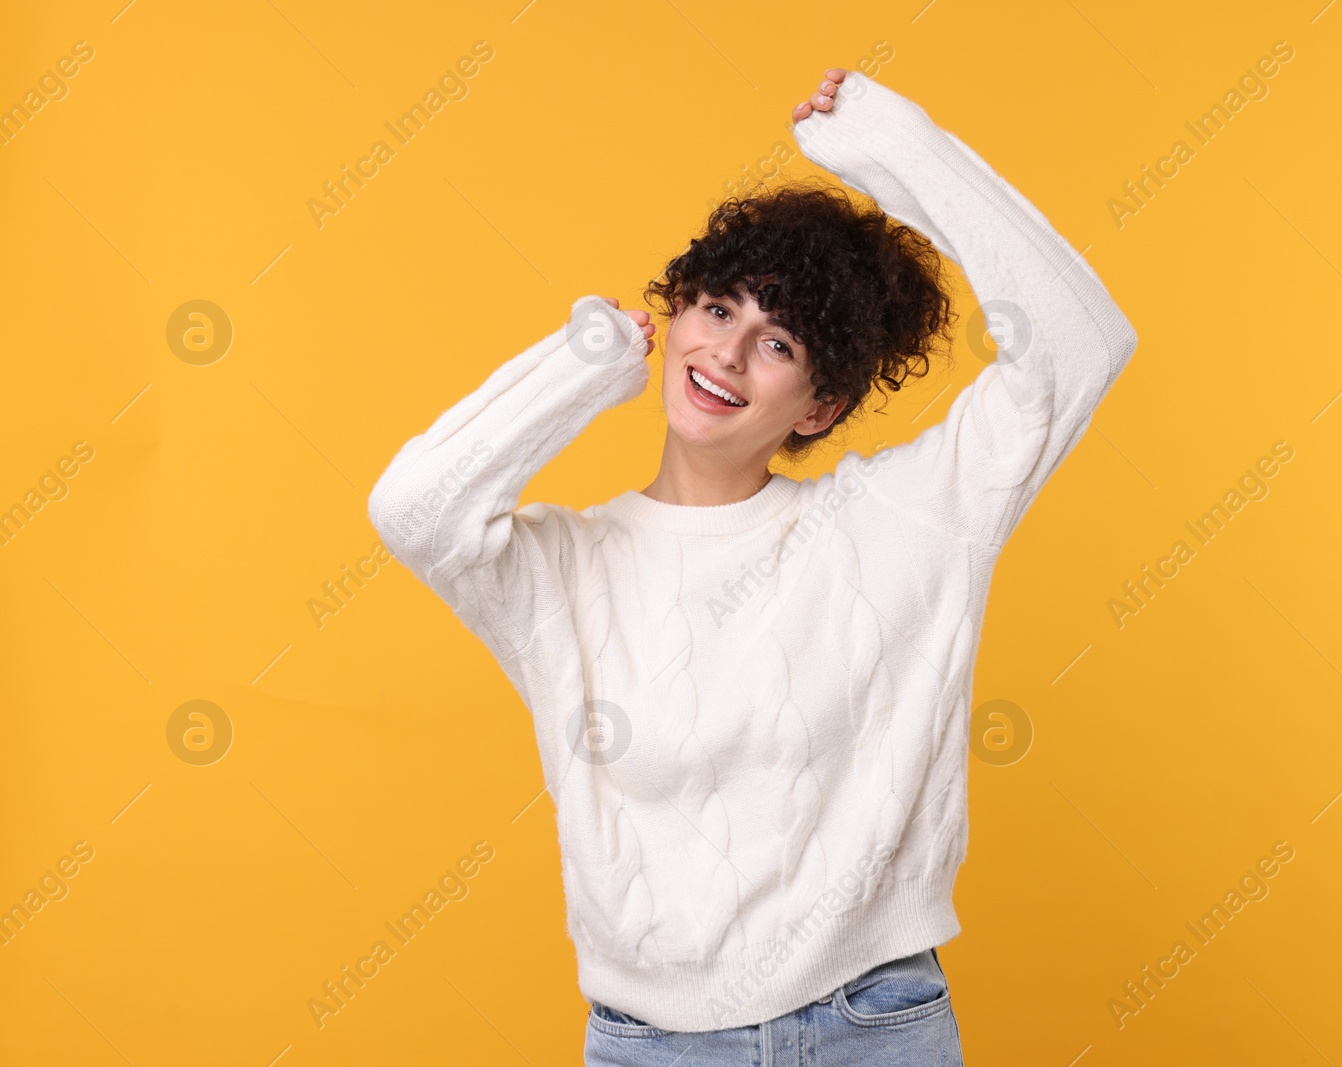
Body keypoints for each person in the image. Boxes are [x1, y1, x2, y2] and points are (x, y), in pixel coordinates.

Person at [368, 66, 1138, 1066]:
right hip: (653, 1043)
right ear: (676, 312)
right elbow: (412, 507)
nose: (727, 354)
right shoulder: (562, 571)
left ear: (817, 407)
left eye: (776, 341)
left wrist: (894, 147)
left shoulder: (902, 522)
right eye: (716, 309)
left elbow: (1081, 342)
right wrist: (583, 364)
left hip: (874, 1026)